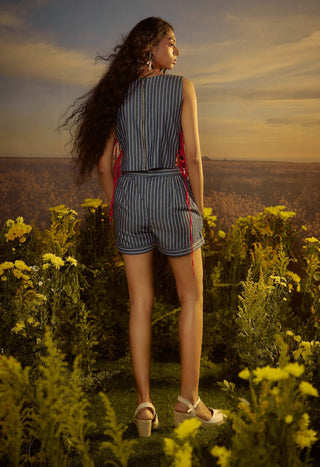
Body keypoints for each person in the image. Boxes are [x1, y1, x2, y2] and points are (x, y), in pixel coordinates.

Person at [63, 16, 225, 437]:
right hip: (172, 197)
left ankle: (144, 407)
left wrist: (118, 206)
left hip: (129, 195)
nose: (177, 51)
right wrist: (199, 208)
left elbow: (103, 165)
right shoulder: (183, 87)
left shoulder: (117, 94)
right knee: (191, 298)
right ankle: (189, 402)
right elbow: (192, 156)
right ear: (150, 46)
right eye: (171, 43)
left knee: (141, 305)